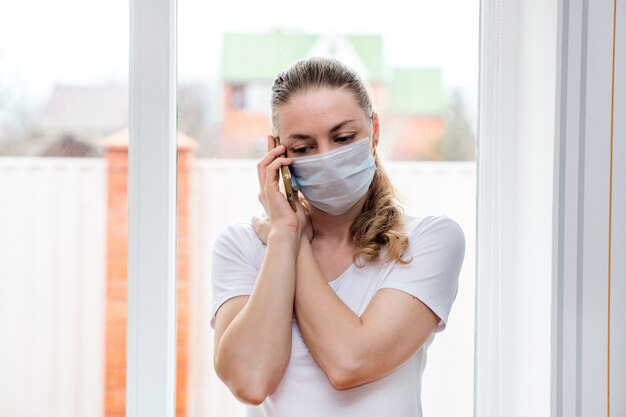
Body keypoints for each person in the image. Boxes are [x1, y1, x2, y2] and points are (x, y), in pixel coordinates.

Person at [210, 56, 465, 417]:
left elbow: (349, 362)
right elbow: (249, 381)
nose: (327, 158)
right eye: (303, 148)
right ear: (277, 152)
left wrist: (294, 245)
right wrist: (283, 236)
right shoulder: (244, 247)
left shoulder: (428, 241)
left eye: (343, 138)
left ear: (374, 130)